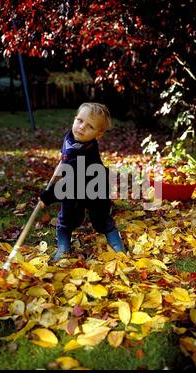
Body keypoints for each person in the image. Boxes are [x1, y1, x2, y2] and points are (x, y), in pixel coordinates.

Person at [40, 102, 125, 263]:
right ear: (74, 119)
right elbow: (64, 161)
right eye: (79, 121)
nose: (81, 127)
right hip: (74, 187)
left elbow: (67, 183)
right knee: (68, 217)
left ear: (99, 134)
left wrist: (48, 196)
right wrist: (54, 178)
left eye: (90, 127)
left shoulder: (86, 154)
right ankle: (63, 248)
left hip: (95, 187)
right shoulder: (70, 139)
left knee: (100, 219)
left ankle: (118, 247)